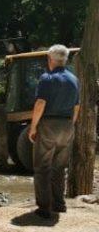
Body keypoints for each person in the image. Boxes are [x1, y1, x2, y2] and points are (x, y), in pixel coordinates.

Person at [28, 44, 80, 219]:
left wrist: (33, 127)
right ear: (64, 60)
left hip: (49, 124)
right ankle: (59, 204)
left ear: (50, 59)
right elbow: (77, 106)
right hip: (67, 125)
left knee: (42, 167)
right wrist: (70, 125)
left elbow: (40, 104)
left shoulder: (47, 78)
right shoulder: (74, 79)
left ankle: (44, 208)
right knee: (59, 167)